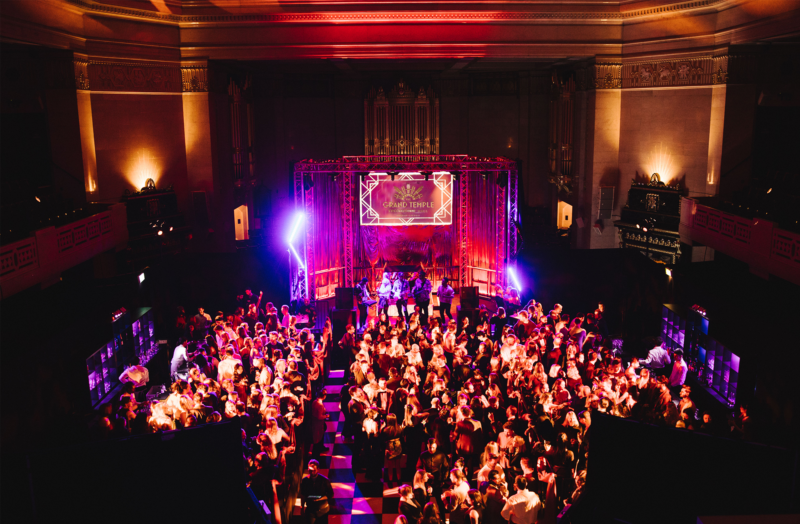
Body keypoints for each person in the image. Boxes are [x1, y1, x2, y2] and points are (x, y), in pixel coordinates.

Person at [301, 459, 334, 524]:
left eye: (314, 470)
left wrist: (320, 498)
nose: (312, 472)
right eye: (310, 470)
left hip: (323, 510)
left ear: (318, 469)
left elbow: (331, 494)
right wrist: (302, 507)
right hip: (310, 510)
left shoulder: (324, 480)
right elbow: (303, 494)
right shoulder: (304, 481)